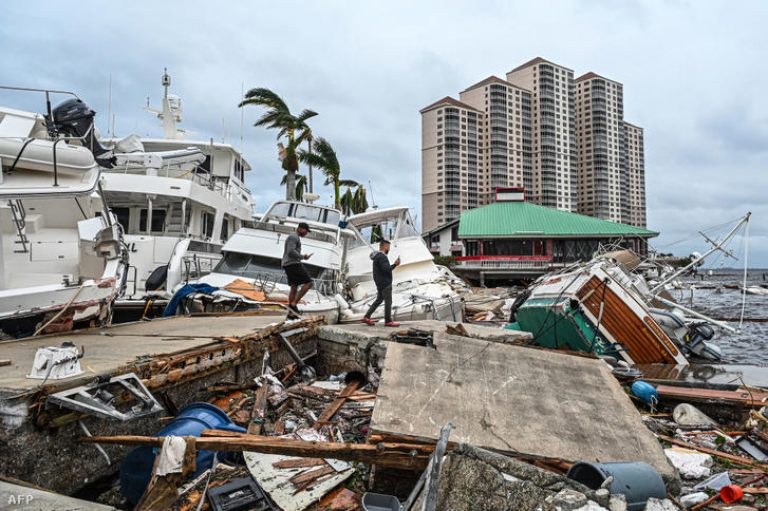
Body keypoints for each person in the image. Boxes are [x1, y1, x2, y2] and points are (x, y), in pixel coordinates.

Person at [362, 239, 401, 327]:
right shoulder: (382, 257)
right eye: (388, 247)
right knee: (388, 301)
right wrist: (395, 264)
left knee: (379, 300)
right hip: (385, 283)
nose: (389, 249)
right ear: (384, 246)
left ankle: (366, 317)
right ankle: (388, 321)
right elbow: (386, 270)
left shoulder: (377, 257)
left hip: (379, 283)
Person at [282, 222, 313, 316]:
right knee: (309, 282)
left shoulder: (294, 236)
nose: (306, 233)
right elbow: (290, 251)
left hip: (288, 264)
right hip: (293, 264)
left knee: (294, 287)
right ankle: (294, 304)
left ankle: (291, 311)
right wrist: (303, 257)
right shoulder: (294, 237)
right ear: (300, 228)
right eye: (306, 231)